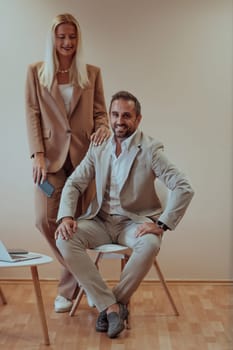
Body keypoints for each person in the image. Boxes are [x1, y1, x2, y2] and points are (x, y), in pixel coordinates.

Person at [55, 91, 194, 338]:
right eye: (115, 114)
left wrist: (161, 224)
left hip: (134, 223)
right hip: (100, 221)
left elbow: (183, 186)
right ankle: (112, 307)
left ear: (138, 119)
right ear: (109, 116)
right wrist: (66, 216)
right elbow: (75, 183)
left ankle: (110, 305)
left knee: (150, 244)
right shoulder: (98, 147)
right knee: (64, 238)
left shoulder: (150, 149)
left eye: (126, 116)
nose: (120, 121)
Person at [25, 13, 110, 313]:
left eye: (72, 37)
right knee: (44, 219)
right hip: (50, 161)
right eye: (61, 36)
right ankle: (88, 281)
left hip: (84, 158)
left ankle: (67, 290)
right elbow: (33, 114)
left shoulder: (91, 73)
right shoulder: (36, 72)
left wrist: (104, 127)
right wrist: (37, 154)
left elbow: (101, 112)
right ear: (53, 38)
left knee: (76, 224)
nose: (67, 42)